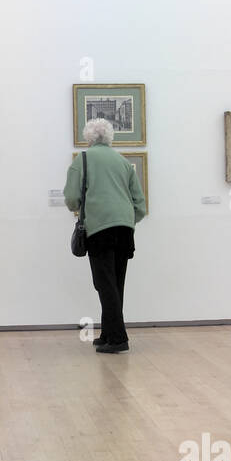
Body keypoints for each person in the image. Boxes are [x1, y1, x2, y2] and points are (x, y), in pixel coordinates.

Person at [64, 119, 147, 353]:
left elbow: (71, 197)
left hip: (100, 228)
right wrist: (128, 219)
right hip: (124, 229)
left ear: (88, 137)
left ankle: (119, 338)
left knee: (104, 283)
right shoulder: (122, 162)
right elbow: (139, 204)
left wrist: (84, 208)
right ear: (110, 137)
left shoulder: (83, 161)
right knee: (115, 283)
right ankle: (108, 333)